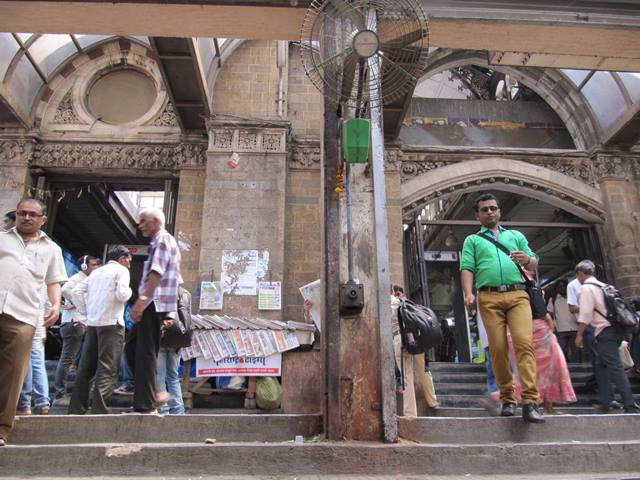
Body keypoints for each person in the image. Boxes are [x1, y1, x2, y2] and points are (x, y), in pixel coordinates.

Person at [460, 192, 544, 423]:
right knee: (497, 349)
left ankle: (530, 401)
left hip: (518, 295)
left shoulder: (515, 236)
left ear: (499, 211)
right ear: (477, 215)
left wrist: (526, 260)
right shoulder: (473, 241)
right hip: (489, 297)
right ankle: (508, 398)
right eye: (484, 209)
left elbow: (535, 262)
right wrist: (468, 294)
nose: (490, 212)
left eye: (493, 208)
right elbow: (467, 267)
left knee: (524, 344)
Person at [0, 198, 67, 446]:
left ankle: (2, 428)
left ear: (43, 219)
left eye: (32, 214)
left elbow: (53, 282)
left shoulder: (51, 249)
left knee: (14, 372)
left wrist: (56, 306)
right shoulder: (2, 239)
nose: (26, 218)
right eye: (22, 213)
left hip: (24, 314)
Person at [126, 207, 181, 413]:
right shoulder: (162, 242)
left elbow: (157, 273)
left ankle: (146, 403)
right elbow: (176, 280)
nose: (140, 226)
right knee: (132, 348)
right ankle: (155, 393)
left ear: (156, 221)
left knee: (145, 353)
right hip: (156, 303)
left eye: (143, 221)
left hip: (153, 303)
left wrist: (142, 301)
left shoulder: (162, 240)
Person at [68, 245, 132, 414]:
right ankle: (100, 409)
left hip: (93, 323)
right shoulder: (122, 271)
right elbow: (122, 295)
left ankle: (76, 408)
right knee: (108, 368)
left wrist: (86, 311)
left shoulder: (97, 272)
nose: (130, 264)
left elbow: (76, 291)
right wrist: (131, 291)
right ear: (122, 258)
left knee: (86, 368)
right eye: (129, 260)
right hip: (112, 323)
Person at [574, 259, 640, 413]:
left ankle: (629, 403)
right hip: (615, 331)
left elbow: (585, 314)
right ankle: (606, 399)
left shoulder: (587, 288)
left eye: (578, 276)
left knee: (615, 367)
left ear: (580, 274)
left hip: (604, 332)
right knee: (601, 364)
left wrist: (579, 335)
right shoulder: (604, 286)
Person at [509, 273, 576, 414]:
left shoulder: (508, 286)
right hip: (537, 328)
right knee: (547, 368)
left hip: (520, 328)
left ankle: (545, 406)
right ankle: (501, 397)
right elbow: (537, 303)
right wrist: (546, 316)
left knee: (530, 369)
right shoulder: (526, 281)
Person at [53, 255, 101, 400]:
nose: (96, 268)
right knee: (67, 359)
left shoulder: (87, 279)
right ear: (84, 266)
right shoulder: (78, 278)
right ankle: (60, 391)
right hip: (74, 323)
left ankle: (68, 390)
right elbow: (66, 290)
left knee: (77, 358)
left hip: (78, 323)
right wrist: (80, 304)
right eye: (93, 265)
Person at [391, 285, 438, 416]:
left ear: (391, 292)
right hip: (416, 338)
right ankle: (432, 401)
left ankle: (410, 413)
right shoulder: (409, 304)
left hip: (401, 339)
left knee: (406, 375)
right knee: (424, 368)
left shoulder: (391, 302)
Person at [17, 290, 51, 416]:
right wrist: (44, 328)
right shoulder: (43, 284)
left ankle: (24, 403)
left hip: (23, 324)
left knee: (25, 362)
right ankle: (43, 402)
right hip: (39, 325)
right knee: (38, 364)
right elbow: (48, 306)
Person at [548, 279, 581, 363]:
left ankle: (577, 369)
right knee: (561, 351)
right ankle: (564, 370)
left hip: (574, 328)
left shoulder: (573, 297)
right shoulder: (553, 300)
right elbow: (550, 313)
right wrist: (552, 326)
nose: (561, 288)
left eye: (563, 286)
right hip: (561, 329)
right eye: (559, 287)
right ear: (556, 289)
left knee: (576, 352)